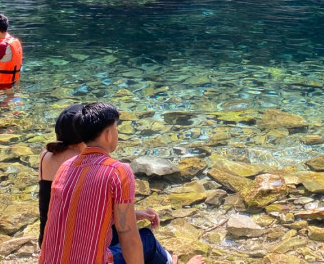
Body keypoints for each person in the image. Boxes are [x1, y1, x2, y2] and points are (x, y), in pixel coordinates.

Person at [40, 102, 204, 264]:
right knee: (146, 239)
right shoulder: (117, 171)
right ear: (108, 134)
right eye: (116, 128)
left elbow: (82, 217)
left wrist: (135, 215)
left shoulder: (65, 167)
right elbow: (129, 239)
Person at [39, 105, 86, 246]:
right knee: (145, 240)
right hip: (72, 247)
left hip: (46, 242)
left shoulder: (44, 156)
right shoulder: (82, 161)